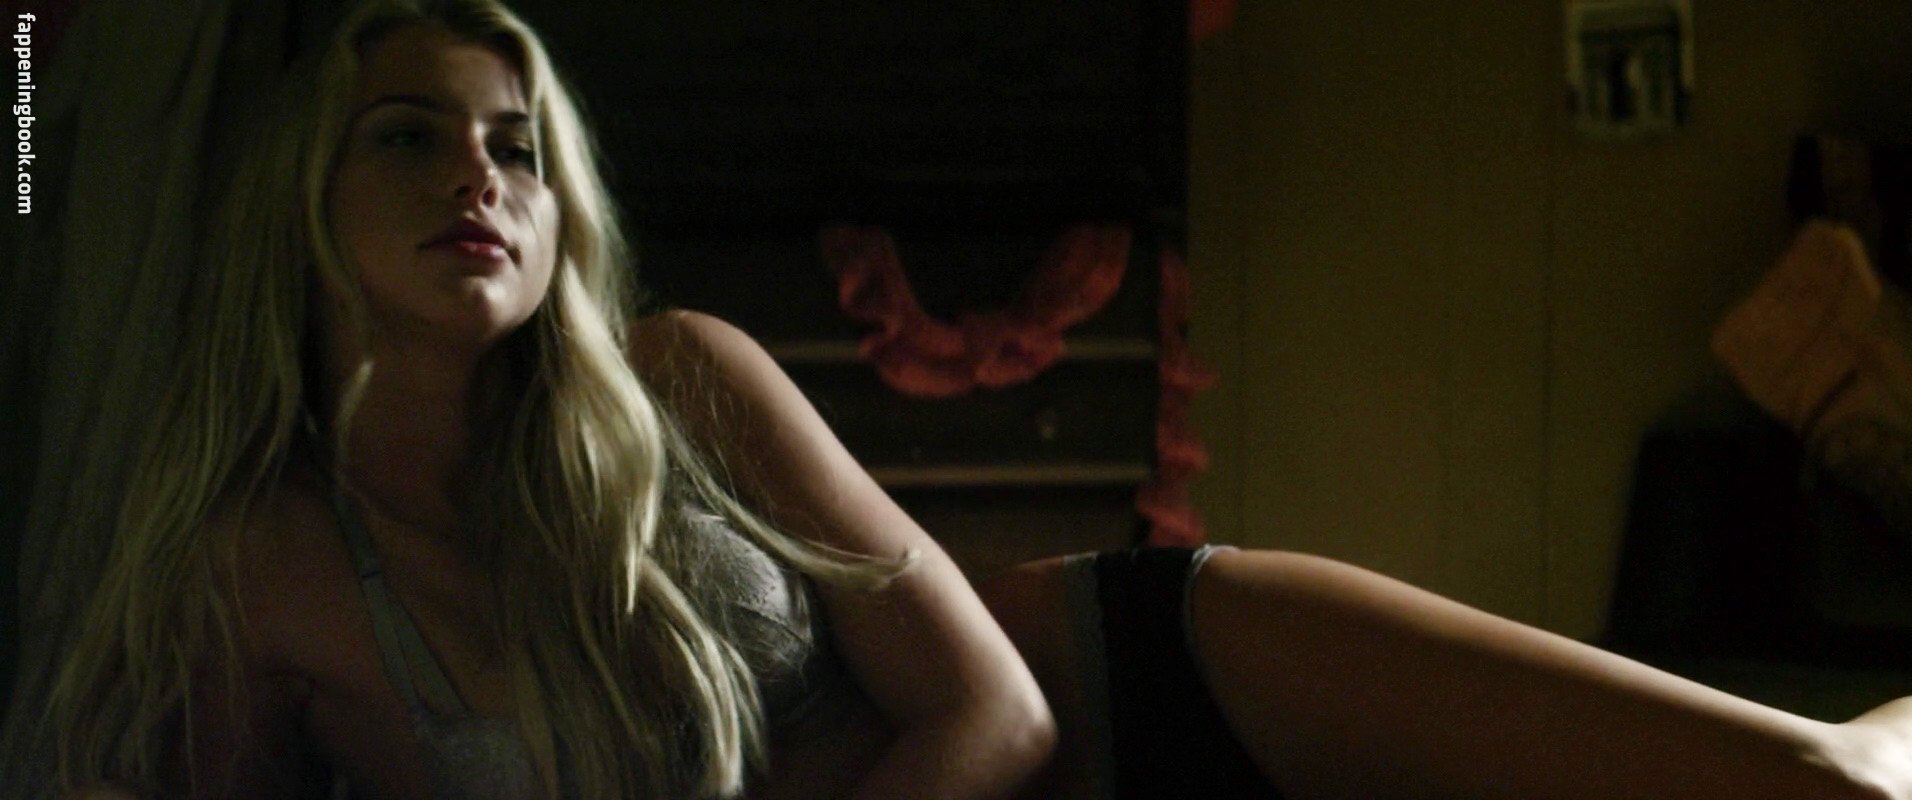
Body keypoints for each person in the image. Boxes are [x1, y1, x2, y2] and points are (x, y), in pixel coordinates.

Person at [15, 0, 1912, 798]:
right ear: (298, 202)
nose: (478, 180)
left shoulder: (685, 377)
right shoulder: (257, 576)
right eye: (408, 137)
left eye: (516, 144)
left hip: (1168, 683)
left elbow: (999, 712)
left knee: (1817, 785)